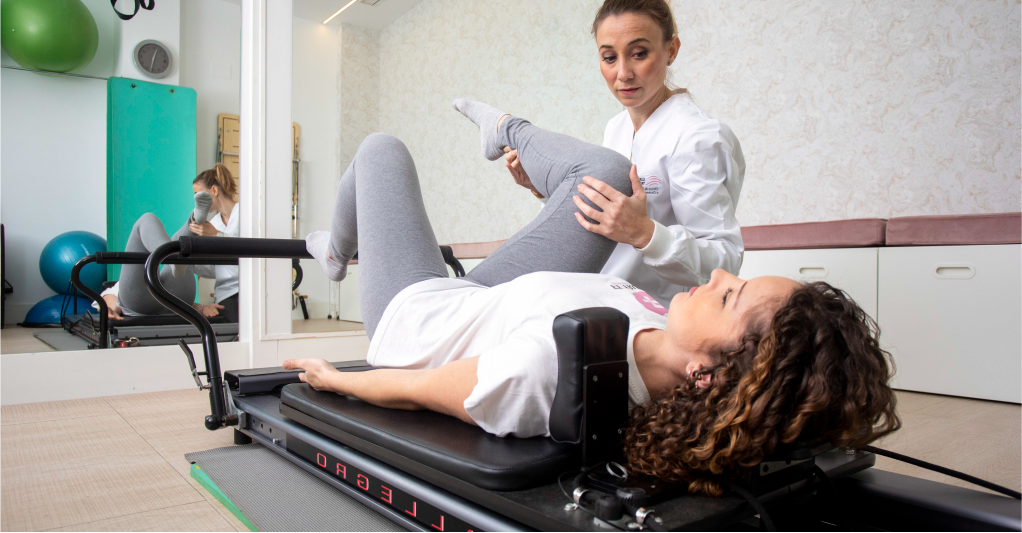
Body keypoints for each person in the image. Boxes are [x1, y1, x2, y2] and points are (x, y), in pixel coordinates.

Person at [285, 100, 900, 495]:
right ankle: (505, 131)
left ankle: (335, 252)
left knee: (380, 150)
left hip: (419, 314)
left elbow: (416, 387)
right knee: (606, 173)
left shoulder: (548, 370)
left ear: (707, 375)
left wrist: (339, 380)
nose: (717, 279)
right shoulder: (663, 327)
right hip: (492, 299)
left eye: (729, 297)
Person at [504, 0, 745, 308]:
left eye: (639, 53)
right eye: (609, 57)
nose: (623, 73)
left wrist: (645, 233)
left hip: (662, 317)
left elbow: (724, 262)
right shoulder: (616, 128)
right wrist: (540, 187)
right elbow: (603, 216)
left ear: (671, 50)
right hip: (603, 303)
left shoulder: (697, 137)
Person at [99, 164, 241, 322]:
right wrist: (189, 259)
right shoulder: (214, 223)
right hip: (178, 301)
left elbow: (253, 254)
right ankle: (191, 225)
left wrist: (216, 235)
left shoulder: (247, 215)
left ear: (214, 191)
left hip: (148, 301)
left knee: (147, 220)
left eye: (197, 194)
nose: (194, 197)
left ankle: (189, 228)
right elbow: (215, 268)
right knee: (180, 244)